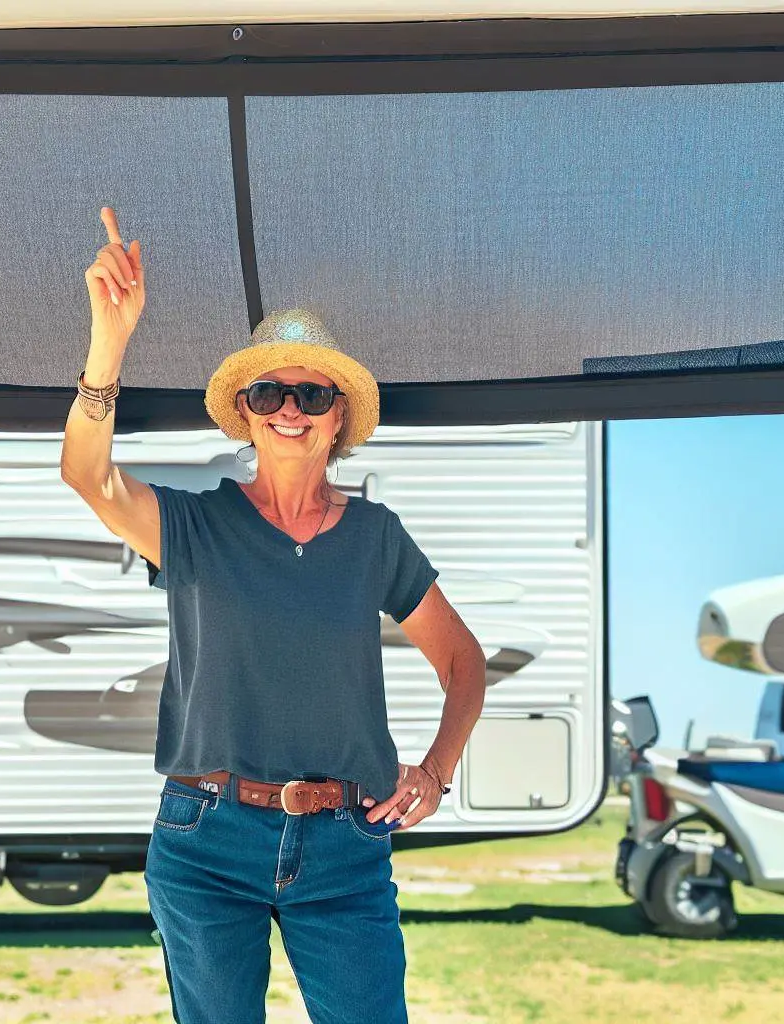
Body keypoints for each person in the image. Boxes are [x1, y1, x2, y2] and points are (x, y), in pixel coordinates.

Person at [61, 207, 487, 1024]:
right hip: (205, 840)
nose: (290, 407)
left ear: (338, 419)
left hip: (345, 845)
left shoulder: (375, 538)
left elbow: (464, 663)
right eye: (270, 391)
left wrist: (436, 770)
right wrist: (108, 340)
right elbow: (88, 475)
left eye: (311, 393)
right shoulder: (193, 526)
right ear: (248, 413)